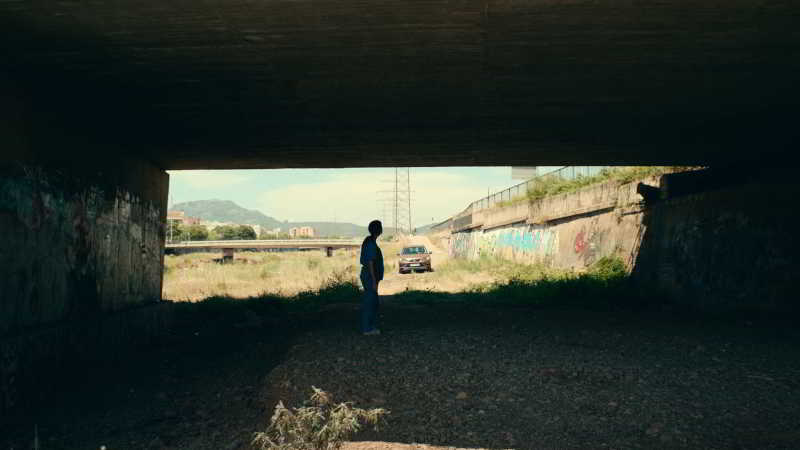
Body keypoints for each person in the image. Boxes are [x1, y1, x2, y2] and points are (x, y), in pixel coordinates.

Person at [359, 220, 384, 335]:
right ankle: (367, 329)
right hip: (370, 276)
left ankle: (369, 326)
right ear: (378, 230)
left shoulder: (370, 241)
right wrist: (374, 280)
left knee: (372, 301)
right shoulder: (371, 244)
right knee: (370, 302)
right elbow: (370, 263)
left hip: (369, 275)